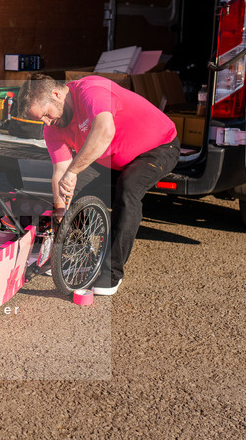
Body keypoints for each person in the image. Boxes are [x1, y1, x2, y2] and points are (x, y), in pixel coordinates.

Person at [18, 73, 179, 295]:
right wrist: (60, 210)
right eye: (41, 119)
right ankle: (73, 252)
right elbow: (60, 173)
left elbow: (104, 131)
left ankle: (112, 273)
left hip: (157, 148)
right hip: (109, 156)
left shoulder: (92, 90)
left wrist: (74, 171)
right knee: (67, 193)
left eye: (46, 114)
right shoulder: (53, 128)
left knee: (128, 190)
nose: (46, 122)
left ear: (56, 94)